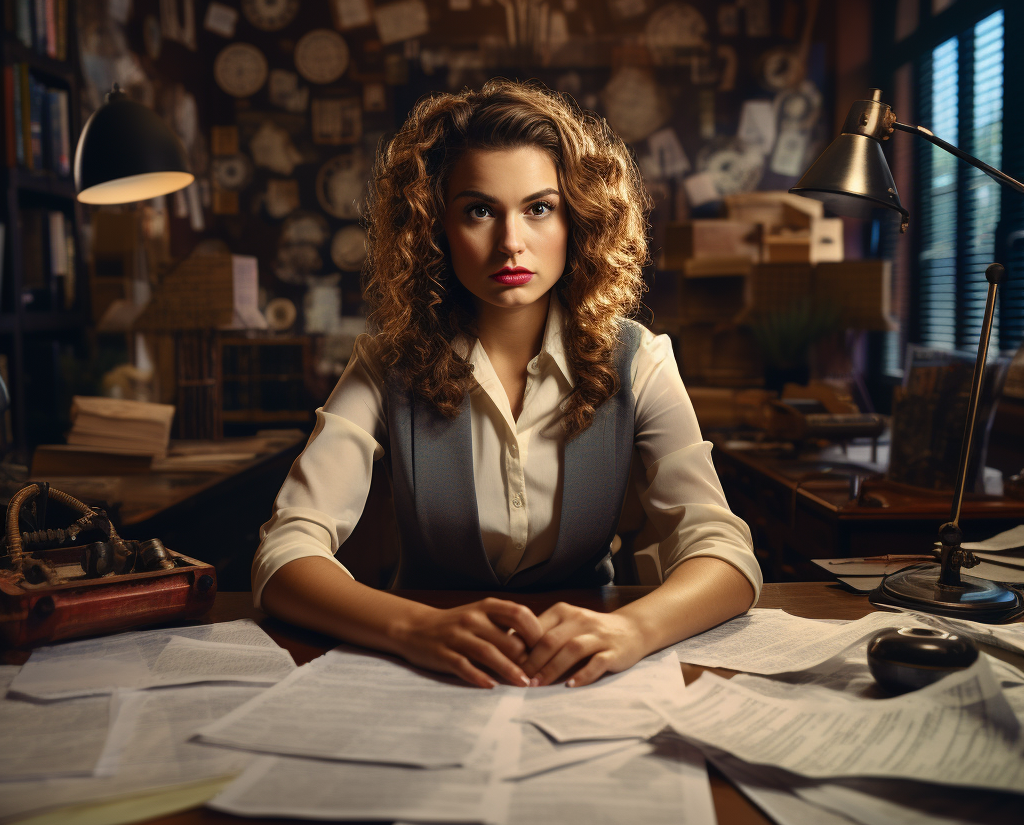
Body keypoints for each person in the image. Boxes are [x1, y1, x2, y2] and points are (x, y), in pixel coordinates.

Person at [254, 80, 761, 690]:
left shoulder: (640, 360)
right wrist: (413, 630)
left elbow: (724, 551)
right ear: (434, 227)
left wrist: (632, 630)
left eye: (538, 208)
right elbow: (287, 552)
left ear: (578, 217)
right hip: (427, 671)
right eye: (479, 210)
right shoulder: (386, 365)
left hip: (589, 671)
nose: (510, 243)